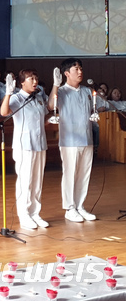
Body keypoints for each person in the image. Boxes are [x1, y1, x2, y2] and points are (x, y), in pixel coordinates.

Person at [1, 69, 49, 230]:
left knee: (37, 181)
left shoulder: (39, 97)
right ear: (22, 82)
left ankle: (35, 213)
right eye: (31, 79)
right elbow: (4, 112)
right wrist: (8, 93)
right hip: (24, 145)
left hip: (40, 143)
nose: (35, 81)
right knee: (25, 181)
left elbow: (44, 118)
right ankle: (24, 215)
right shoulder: (17, 97)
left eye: (36, 78)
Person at [48, 58, 96, 223]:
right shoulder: (61, 91)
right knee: (70, 174)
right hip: (69, 140)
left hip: (86, 138)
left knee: (84, 174)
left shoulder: (87, 91)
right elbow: (51, 105)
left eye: (81, 68)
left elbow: (100, 105)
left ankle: (80, 205)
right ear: (67, 73)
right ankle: (69, 208)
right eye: (76, 69)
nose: (80, 72)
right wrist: (55, 84)